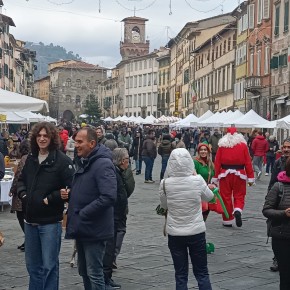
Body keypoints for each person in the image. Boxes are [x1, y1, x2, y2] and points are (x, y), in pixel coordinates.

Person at [17, 122, 74, 290]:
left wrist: (51, 198)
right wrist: (24, 196)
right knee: (33, 267)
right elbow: (21, 181)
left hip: (50, 222)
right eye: (39, 136)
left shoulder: (62, 161)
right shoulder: (31, 158)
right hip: (30, 221)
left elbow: (71, 188)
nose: (42, 139)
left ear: (51, 138)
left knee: (49, 266)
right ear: (35, 138)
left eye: (45, 136)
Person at [65, 127, 117, 290]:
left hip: (94, 227)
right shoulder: (84, 161)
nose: (76, 145)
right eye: (75, 142)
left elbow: (108, 196)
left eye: (80, 142)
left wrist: (84, 213)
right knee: (84, 271)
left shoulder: (102, 164)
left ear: (92, 143)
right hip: (82, 226)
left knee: (94, 272)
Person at [159, 148, 214, 290]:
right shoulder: (197, 180)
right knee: (202, 272)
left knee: (181, 274)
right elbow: (209, 197)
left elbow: (164, 205)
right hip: (196, 232)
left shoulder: (165, 183)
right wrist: (196, 176)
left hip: (175, 233)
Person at [103, 148, 135, 289]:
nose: (128, 161)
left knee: (111, 248)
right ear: (123, 161)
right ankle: (105, 278)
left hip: (117, 215)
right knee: (109, 249)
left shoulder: (118, 172)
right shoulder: (114, 173)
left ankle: (107, 277)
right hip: (114, 216)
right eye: (127, 159)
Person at [212, 127, 254, 227]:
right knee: (239, 195)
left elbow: (217, 162)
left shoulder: (222, 146)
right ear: (237, 135)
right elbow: (248, 162)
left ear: (226, 135)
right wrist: (251, 177)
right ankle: (238, 210)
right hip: (240, 174)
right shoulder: (243, 146)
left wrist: (215, 177)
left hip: (224, 174)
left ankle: (227, 219)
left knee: (225, 197)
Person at [263, 157, 290, 290]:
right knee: (285, 275)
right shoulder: (278, 186)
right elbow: (266, 210)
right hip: (282, 237)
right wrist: (284, 213)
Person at [267, 138, 290, 272]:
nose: (286, 149)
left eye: (289, 147)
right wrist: (269, 197)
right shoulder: (278, 162)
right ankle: (277, 258)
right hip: (279, 199)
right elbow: (272, 181)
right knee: (276, 230)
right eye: (285, 147)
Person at [9, 140, 30, 252]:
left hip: (22, 193)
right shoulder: (32, 157)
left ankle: (29, 241)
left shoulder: (24, 158)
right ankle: (28, 241)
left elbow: (18, 176)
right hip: (28, 192)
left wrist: (12, 189)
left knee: (22, 217)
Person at [194, 143, 215, 221]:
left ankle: (202, 224)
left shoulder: (210, 163)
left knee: (206, 210)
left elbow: (214, 175)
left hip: (208, 190)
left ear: (208, 152)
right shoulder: (195, 162)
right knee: (200, 210)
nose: (203, 151)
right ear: (198, 151)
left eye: (205, 150)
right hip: (198, 190)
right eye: (201, 150)